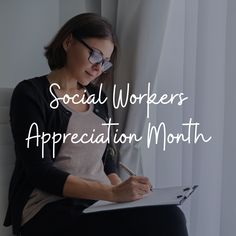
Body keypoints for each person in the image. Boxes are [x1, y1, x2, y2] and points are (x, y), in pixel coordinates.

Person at [3, 13, 188, 236]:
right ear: (69, 42)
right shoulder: (30, 94)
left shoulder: (98, 97)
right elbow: (40, 172)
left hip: (97, 202)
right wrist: (112, 194)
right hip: (50, 209)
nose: (98, 68)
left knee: (169, 215)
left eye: (104, 62)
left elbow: (106, 160)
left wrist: (124, 193)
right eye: (95, 55)